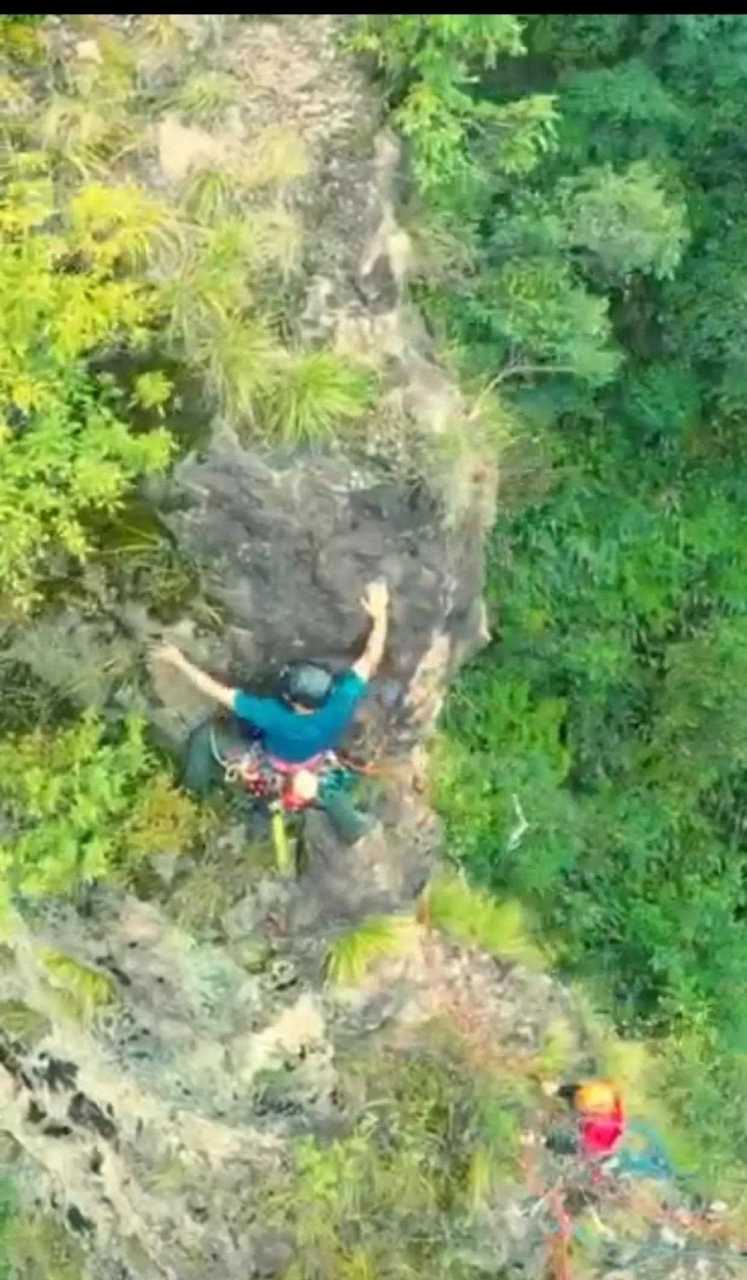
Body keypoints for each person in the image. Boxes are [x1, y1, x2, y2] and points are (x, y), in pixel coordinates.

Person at [150, 580, 390, 841]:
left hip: (271, 765)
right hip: (315, 764)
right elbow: (370, 659)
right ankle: (352, 827)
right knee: (325, 791)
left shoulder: (274, 715)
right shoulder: (340, 701)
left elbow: (216, 691)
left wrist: (179, 661)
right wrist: (381, 615)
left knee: (205, 737)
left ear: (296, 702)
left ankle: (192, 794)